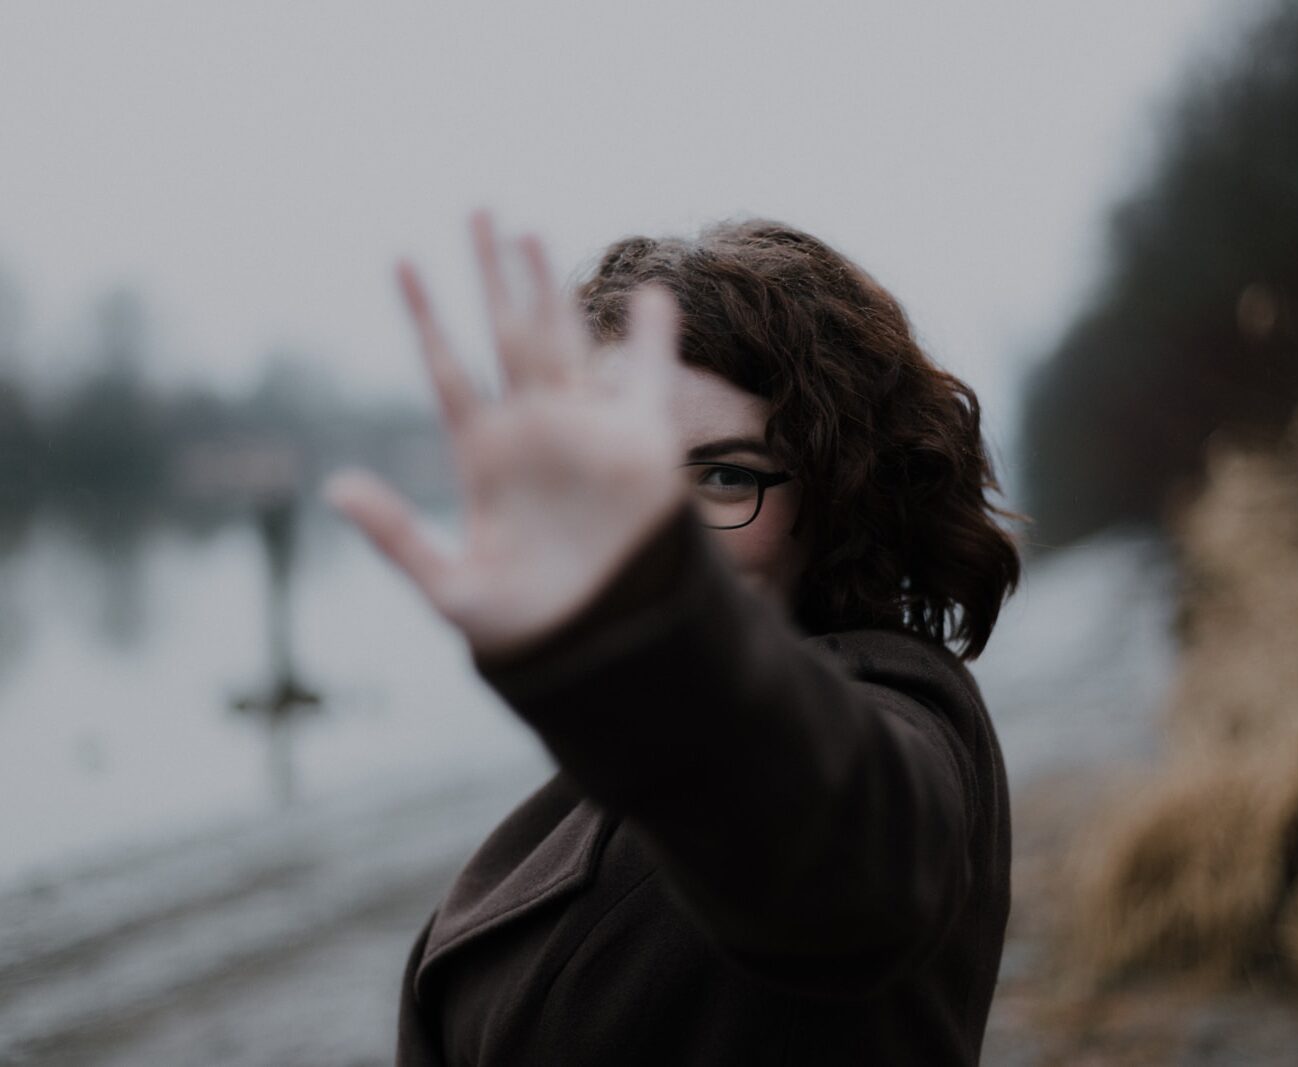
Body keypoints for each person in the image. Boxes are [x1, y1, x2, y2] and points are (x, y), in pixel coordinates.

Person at [324, 210, 1022, 1066]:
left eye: (725, 476)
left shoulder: (894, 714)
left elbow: (852, 874)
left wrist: (650, 630)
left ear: (844, 494)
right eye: (625, 472)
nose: (656, 529)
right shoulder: (640, 748)